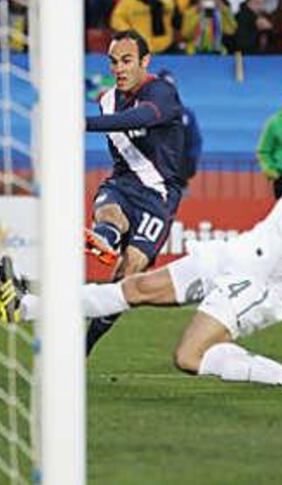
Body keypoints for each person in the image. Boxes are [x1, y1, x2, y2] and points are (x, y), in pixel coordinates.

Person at [0, 43, 282, 397]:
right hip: (232, 252)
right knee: (131, 289)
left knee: (189, 357)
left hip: (259, 285)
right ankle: (24, 307)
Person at [80, 30, 193, 355]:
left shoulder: (162, 92)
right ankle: (106, 235)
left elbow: (143, 117)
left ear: (145, 61)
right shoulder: (107, 100)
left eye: (127, 61)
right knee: (110, 212)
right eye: (114, 62)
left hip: (158, 197)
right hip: (122, 185)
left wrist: (81, 122)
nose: (119, 68)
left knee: (126, 278)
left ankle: (84, 346)